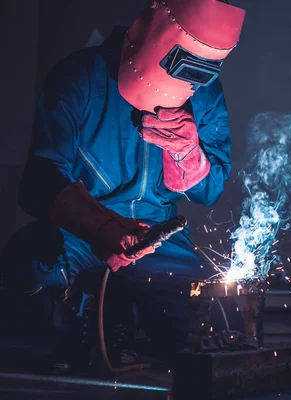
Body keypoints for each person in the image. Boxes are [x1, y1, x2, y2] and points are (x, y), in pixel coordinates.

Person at [0, 0, 246, 372]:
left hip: (159, 239)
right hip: (81, 234)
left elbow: (208, 192)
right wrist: (100, 227)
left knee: (222, 321)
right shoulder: (79, 77)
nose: (188, 84)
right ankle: (94, 317)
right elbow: (37, 183)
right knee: (29, 268)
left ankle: (130, 314)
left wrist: (188, 154)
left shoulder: (206, 94)